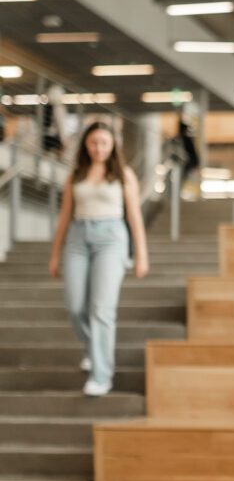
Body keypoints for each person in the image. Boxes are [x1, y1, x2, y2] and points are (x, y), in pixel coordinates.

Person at [48, 121, 149, 397]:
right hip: (78, 237)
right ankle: (93, 347)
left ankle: (101, 375)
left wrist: (141, 254)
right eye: (93, 142)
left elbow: (134, 217)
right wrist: (55, 253)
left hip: (111, 238)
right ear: (86, 145)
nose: (99, 148)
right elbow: (65, 216)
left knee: (101, 309)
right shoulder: (76, 174)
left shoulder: (123, 174)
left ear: (113, 144)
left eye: (104, 143)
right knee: (75, 305)